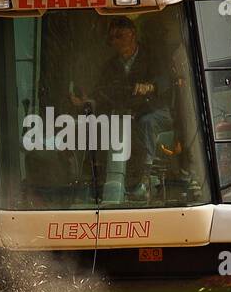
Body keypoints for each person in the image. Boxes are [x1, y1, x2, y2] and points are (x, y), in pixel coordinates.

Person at [71, 17, 173, 198]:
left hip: (154, 111)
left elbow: (166, 80)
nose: (115, 41)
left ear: (133, 34)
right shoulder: (111, 66)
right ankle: (95, 179)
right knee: (99, 125)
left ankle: (144, 178)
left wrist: (150, 86)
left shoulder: (152, 57)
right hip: (123, 114)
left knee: (146, 123)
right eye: (112, 38)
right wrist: (87, 100)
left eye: (119, 36)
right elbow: (100, 90)